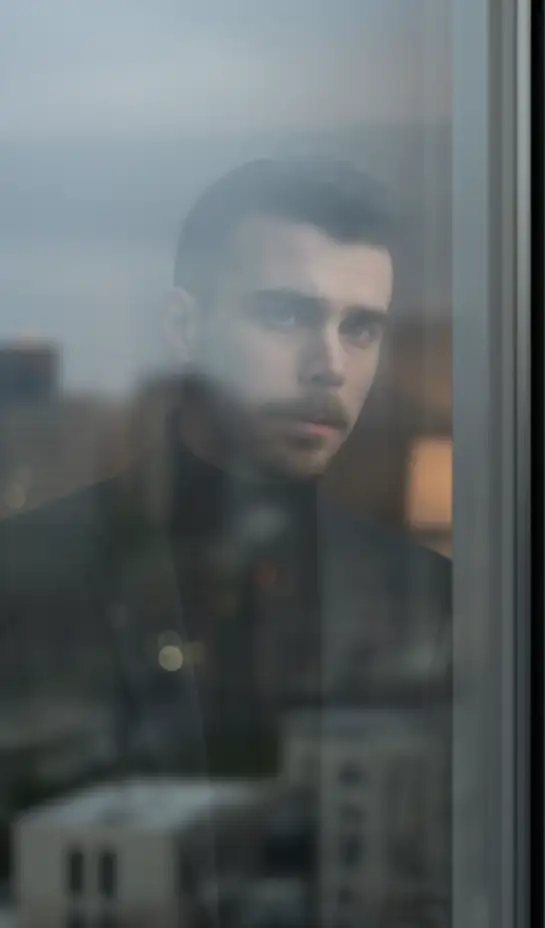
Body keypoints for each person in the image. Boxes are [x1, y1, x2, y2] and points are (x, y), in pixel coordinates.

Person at [0, 159, 450, 925]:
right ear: (184, 328)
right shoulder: (24, 570)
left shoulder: (427, 597)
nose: (330, 366)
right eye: (284, 315)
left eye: (361, 327)